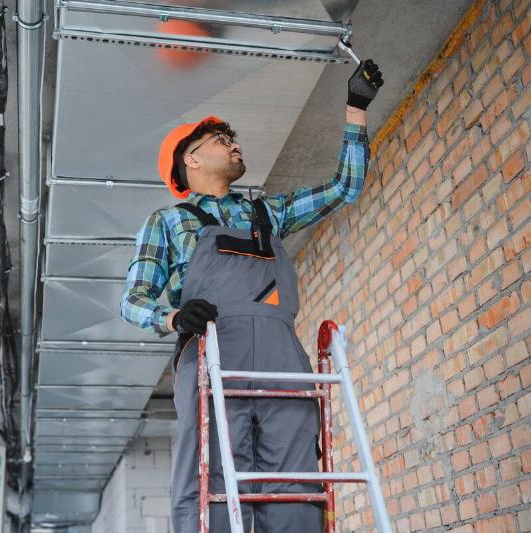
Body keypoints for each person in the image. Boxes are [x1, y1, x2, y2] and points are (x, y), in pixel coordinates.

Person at [120, 59, 384, 532]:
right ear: (191, 160)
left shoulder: (268, 213)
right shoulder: (168, 222)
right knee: (215, 472)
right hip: (213, 353)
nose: (235, 143)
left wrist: (356, 109)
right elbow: (132, 299)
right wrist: (173, 317)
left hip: (282, 354)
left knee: (295, 474)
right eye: (222, 139)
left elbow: (345, 188)